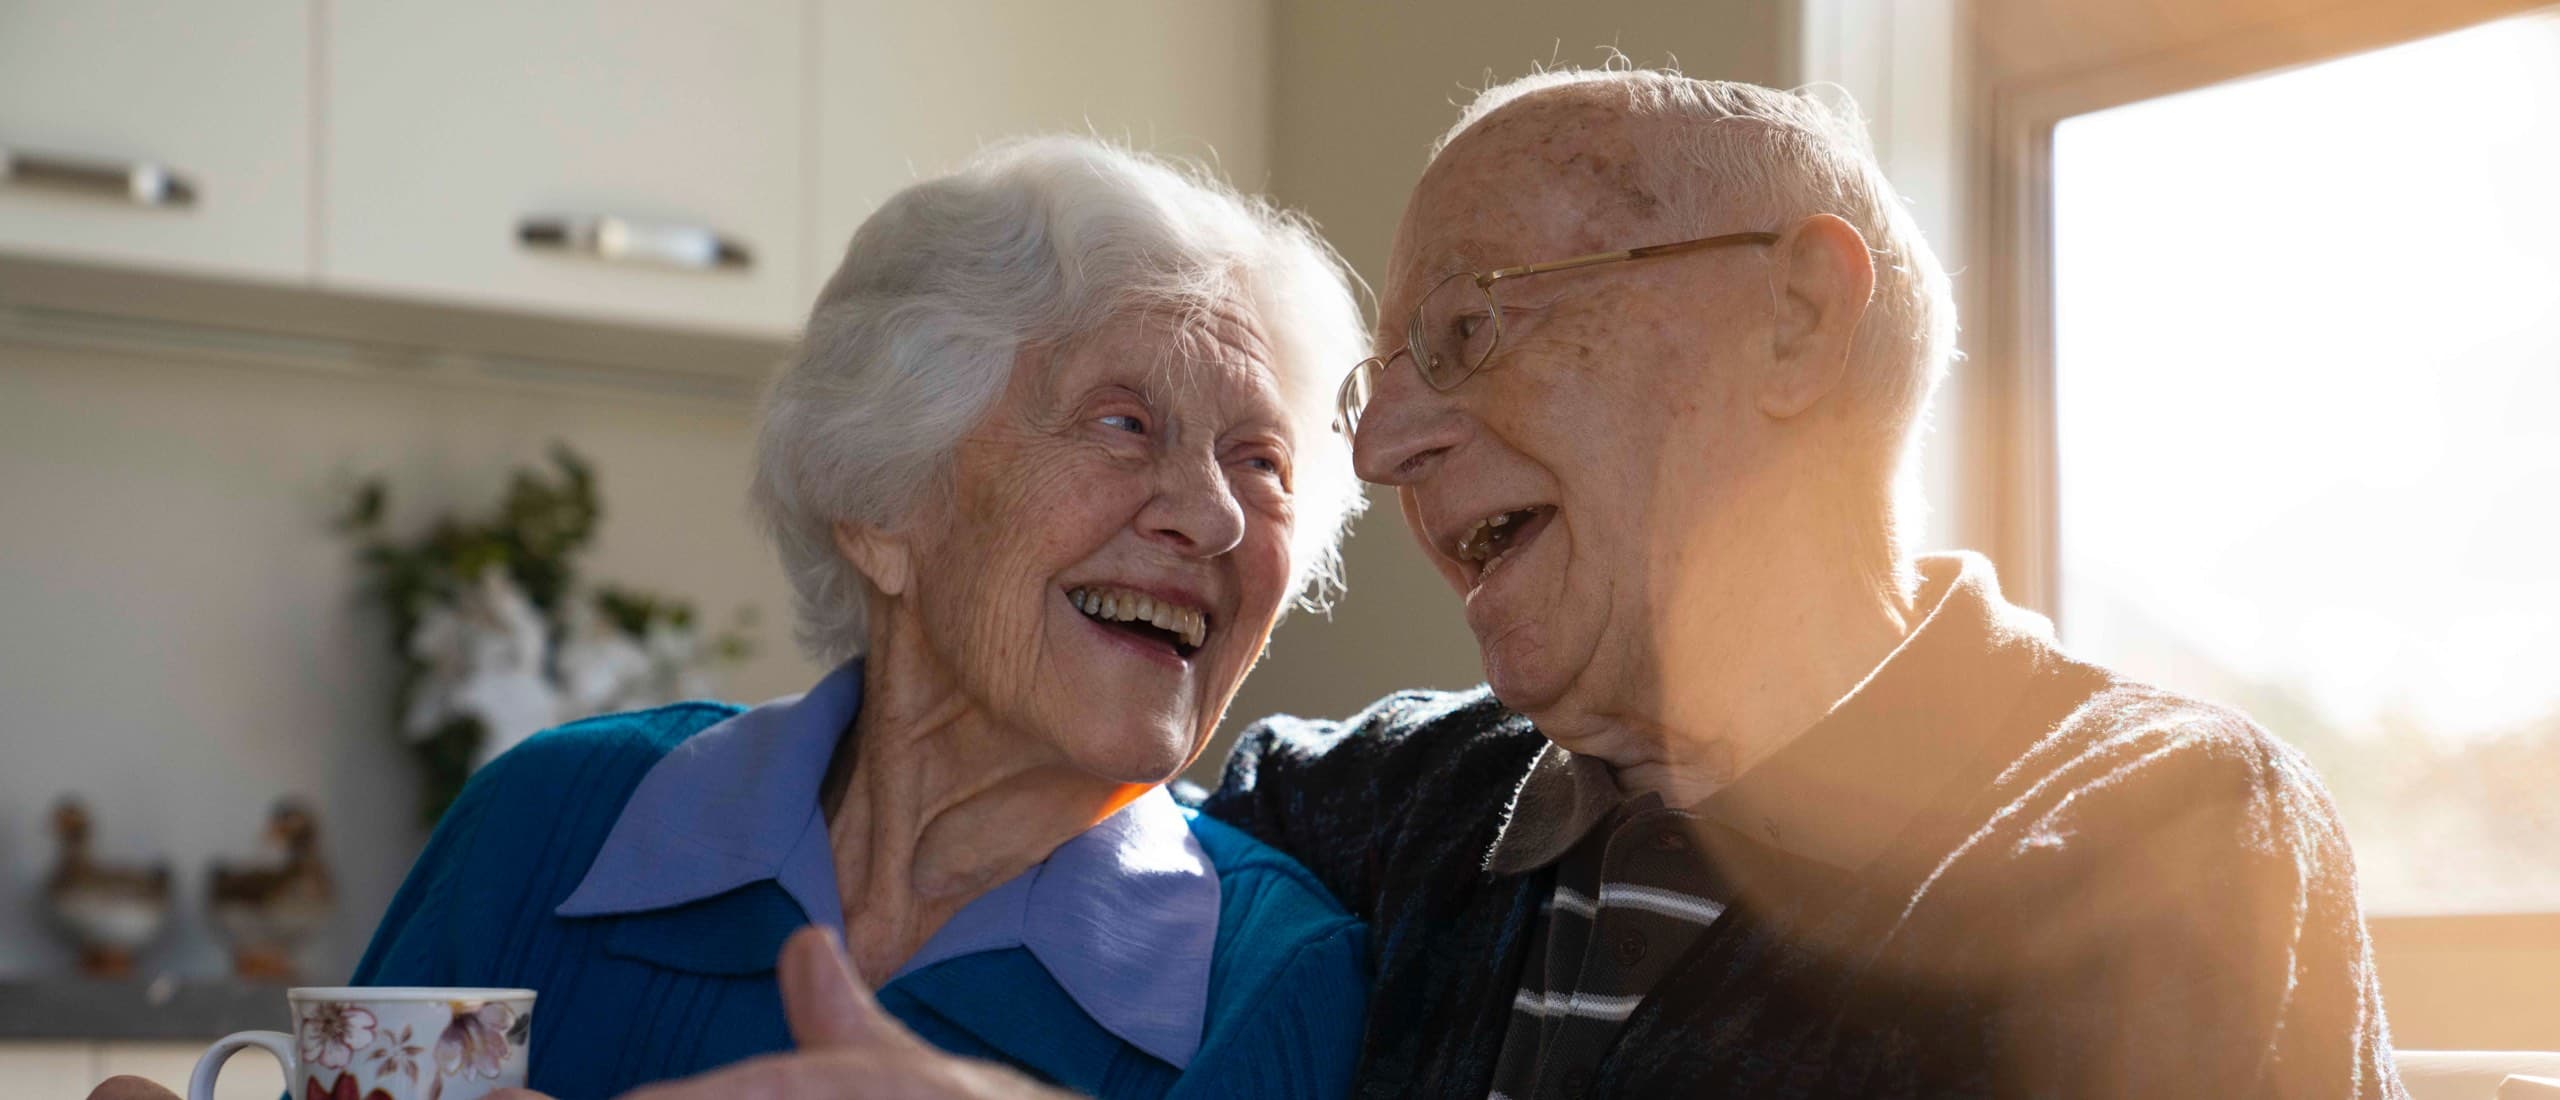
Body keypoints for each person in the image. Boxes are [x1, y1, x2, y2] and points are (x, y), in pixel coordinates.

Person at [93, 134, 1373, 1100]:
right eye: (1123, 422)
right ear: (880, 504)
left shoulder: (1267, 978)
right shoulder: (553, 823)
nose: (1210, 517)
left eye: (1262, 462)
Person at [1206, 70, 2403, 1098]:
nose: (1373, 452)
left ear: (1795, 319)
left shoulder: (2164, 830)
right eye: (1377, 387)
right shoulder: (1386, 801)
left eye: (1469, 328)